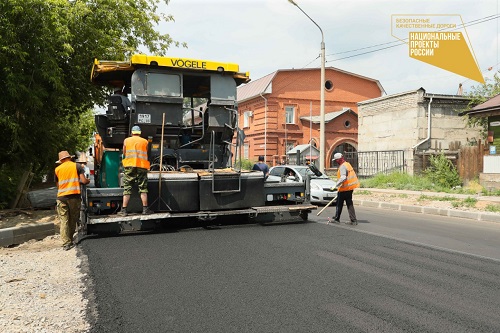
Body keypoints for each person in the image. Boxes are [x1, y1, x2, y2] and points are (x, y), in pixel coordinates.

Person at [55, 151, 90, 250]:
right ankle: (70, 238)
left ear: (61, 160)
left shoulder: (57, 169)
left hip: (61, 197)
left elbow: (58, 185)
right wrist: (87, 181)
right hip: (74, 196)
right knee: (73, 218)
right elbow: (83, 181)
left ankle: (66, 243)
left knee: (63, 220)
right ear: (69, 158)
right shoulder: (77, 166)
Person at [118, 125, 152, 216]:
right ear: (140, 133)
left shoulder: (126, 140)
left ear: (132, 133)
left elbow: (124, 153)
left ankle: (124, 210)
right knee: (143, 188)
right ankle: (145, 209)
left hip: (129, 165)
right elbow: (147, 152)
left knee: (127, 187)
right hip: (141, 165)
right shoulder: (145, 141)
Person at [332, 153, 359, 225]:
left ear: (339, 159)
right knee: (349, 203)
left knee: (339, 204)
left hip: (344, 189)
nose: (336, 162)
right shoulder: (347, 164)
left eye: (336, 160)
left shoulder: (342, 166)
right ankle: (353, 220)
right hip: (350, 188)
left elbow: (343, 177)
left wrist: (336, 185)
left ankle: (337, 218)